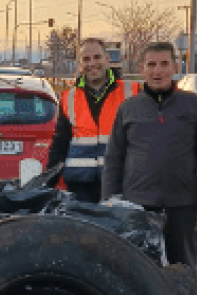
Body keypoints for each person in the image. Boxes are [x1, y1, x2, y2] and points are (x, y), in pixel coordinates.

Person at [102, 42, 197, 269]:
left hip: (183, 206)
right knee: (137, 274)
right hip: (138, 207)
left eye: (164, 64)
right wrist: (110, 203)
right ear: (142, 69)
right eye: (151, 65)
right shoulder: (128, 108)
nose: (158, 71)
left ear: (175, 67)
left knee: (184, 273)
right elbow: (114, 159)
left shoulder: (193, 105)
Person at [47, 38, 141, 202]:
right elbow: (60, 143)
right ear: (79, 64)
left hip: (120, 183)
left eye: (97, 57)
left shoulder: (132, 92)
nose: (92, 63)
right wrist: (48, 185)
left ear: (107, 59)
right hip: (79, 186)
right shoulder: (69, 97)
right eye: (86, 59)